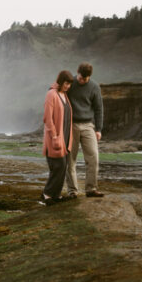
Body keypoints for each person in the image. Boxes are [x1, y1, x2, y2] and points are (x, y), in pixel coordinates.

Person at [64, 62, 105, 198]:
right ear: (77, 72)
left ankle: (91, 189)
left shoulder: (94, 87)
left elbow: (99, 109)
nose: (82, 81)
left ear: (89, 77)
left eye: (85, 79)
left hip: (88, 125)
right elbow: (57, 92)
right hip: (71, 125)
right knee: (70, 159)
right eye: (81, 78)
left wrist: (98, 129)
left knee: (93, 157)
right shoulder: (70, 83)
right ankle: (72, 191)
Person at [41, 69, 75, 204]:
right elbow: (47, 118)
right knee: (58, 166)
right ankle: (47, 194)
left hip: (66, 136)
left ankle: (56, 194)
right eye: (66, 83)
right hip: (54, 137)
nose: (68, 86)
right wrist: (54, 136)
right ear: (61, 81)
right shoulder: (51, 94)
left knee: (63, 165)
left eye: (70, 84)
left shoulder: (65, 95)